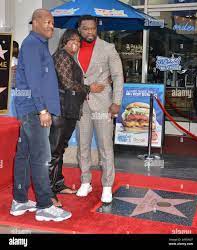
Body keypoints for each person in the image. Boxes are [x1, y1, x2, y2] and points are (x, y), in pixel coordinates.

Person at [10, 8, 71, 222]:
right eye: (47, 22)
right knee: (41, 157)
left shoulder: (36, 45)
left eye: (53, 24)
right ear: (35, 22)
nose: (51, 26)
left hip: (31, 110)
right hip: (35, 111)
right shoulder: (33, 45)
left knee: (25, 155)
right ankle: (45, 205)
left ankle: (19, 200)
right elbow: (35, 81)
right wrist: (43, 110)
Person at [49, 29, 104, 207]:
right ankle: (48, 192)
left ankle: (57, 185)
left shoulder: (70, 58)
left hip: (69, 110)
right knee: (54, 152)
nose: (76, 43)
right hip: (60, 110)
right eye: (72, 40)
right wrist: (89, 88)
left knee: (60, 149)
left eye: (78, 41)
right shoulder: (61, 56)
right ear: (64, 41)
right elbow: (66, 83)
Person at [76, 15, 124, 203]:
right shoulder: (73, 47)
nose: (90, 32)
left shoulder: (107, 48)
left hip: (103, 103)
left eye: (93, 28)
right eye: (86, 28)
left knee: (105, 145)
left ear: (97, 29)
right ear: (79, 29)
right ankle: (85, 181)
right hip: (81, 103)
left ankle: (106, 185)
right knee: (83, 144)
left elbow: (118, 76)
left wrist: (117, 101)